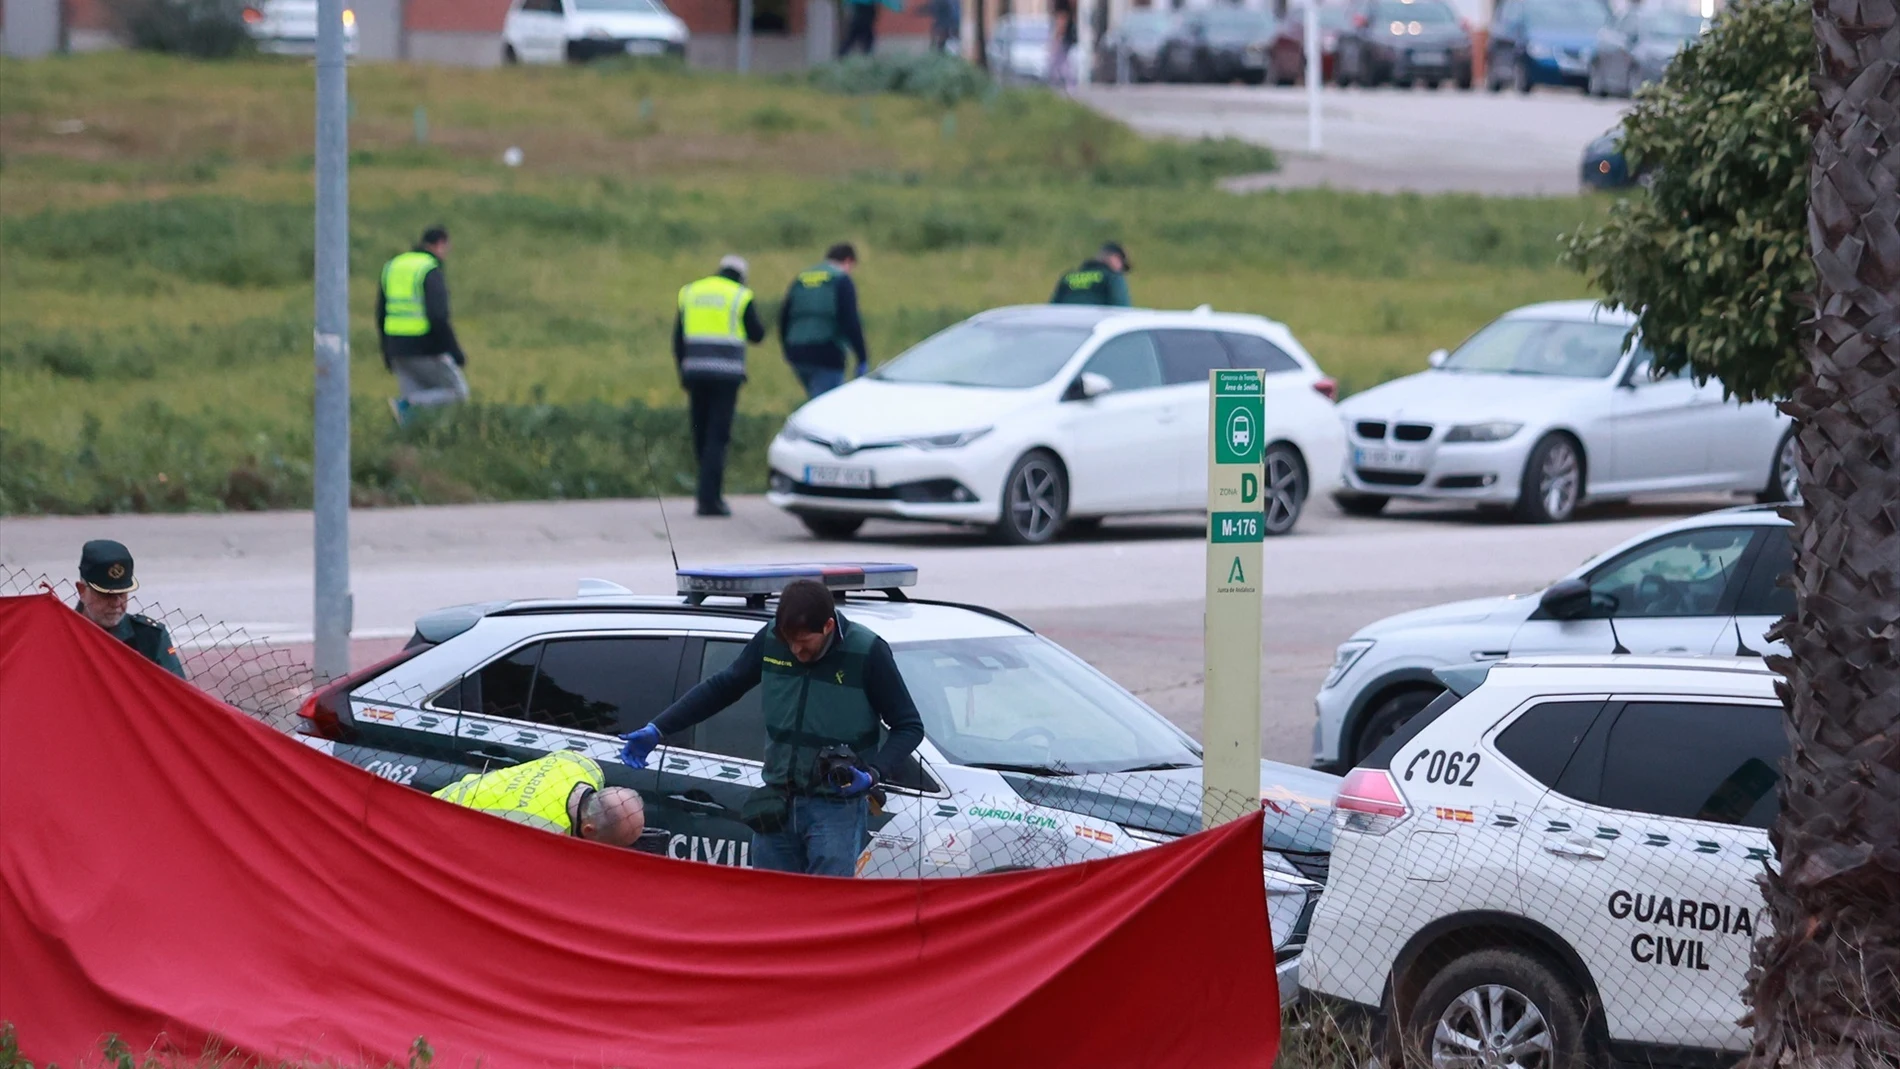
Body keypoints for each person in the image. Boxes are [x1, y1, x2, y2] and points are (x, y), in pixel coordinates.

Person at [618, 579, 924, 877]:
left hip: (835, 810)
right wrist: (659, 728)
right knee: (772, 902)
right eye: (789, 641)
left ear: (828, 626)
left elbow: (909, 726)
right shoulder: (771, 639)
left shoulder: (867, 651)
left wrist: (873, 773)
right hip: (775, 804)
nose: (795, 650)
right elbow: (723, 687)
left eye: (804, 642)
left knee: (825, 905)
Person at [674, 255, 768, 518]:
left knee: (701, 434)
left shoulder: (691, 292)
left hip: (695, 373)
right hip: (726, 376)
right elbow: (757, 334)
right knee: (717, 437)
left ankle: (705, 493)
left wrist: (683, 372)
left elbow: (677, 339)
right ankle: (709, 500)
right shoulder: (740, 295)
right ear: (742, 276)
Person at [433, 751, 647, 847]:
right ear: (588, 829)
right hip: (439, 823)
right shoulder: (545, 831)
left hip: (447, 798)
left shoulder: (582, 766)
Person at [377, 226, 468, 425]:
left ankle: (410, 439)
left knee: (415, 416)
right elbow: (438, 316)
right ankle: (407, 404)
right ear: (441, 244)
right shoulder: (429, 269)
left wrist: (386, 350)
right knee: (457, 393)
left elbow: (381, 313)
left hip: (396, 348)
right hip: (426, 348)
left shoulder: (393, 266)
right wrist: (454, 351)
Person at [72, 539, 186, 680]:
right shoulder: (61, 633)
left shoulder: (149, 638)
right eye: (107, 595)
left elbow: (177, 688)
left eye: (122, 594)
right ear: (82, 591)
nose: (116, 603)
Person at [779, 243, 870, 400]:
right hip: (827, 352)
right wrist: (862, 357)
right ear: (848, 261)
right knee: (828, 403)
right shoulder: (841, 279)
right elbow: (850, 320)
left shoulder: (801, 279)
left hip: (797, 351)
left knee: (816, 398)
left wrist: (787, 348)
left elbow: (784, 318)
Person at [1051, 242, 1133, 306]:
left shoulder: (1068, 277)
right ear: (1115, 257)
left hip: (1066, 322)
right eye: (1121, 264)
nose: (1120, 269)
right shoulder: (1112, 277)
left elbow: (1052, 308)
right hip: (1098, 322)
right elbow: (1122, 308)